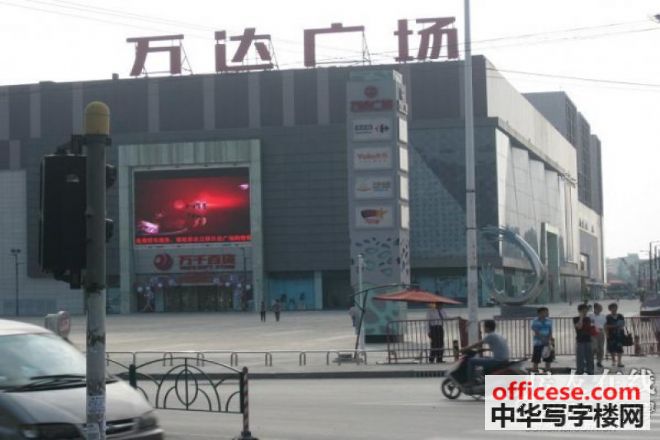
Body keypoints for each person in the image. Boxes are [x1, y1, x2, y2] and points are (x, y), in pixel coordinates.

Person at [462, 319, 509, 385]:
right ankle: (484, 378)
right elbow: (498, 347)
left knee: (471, 361)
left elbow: (477, 344)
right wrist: (485, 349)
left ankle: (470, 382)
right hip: (504, 359)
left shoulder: (490, 335)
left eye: (484, 326)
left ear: (487, 327)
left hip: (497, 360)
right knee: (485, 357)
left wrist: (465, 348)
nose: (483, 328)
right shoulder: (498, 335)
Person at [573, 304, 594, 375]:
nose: (585, 312)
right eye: (583, 311)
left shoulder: (588, 319)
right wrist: (581, 318)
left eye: (586, 310)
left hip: (588, 339)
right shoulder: (575, 319)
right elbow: (579, 327)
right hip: (580, 340)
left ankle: (590, 370)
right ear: (579, 311)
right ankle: (580, 370)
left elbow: (591, 328)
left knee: (589, 356)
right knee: (580, 357)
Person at [531, 307, 553, 371]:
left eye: (547, 312)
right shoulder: (535, 321)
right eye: (546, 312)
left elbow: (550, 331)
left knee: (548, 358)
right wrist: (543, 339)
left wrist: (549, 340)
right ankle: (535, 370)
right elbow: (536, 332)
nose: (548, 313)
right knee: (536, 359)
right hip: (538, 342)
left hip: (547, 342)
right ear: (540, 313)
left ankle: (547, 370)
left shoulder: (549, 321)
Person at [605, 302, 625, 368]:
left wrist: (620, 326)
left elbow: (623, 324)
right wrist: (607, 333)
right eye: (612, 308)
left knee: (620, 348)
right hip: (611, 334)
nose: (614, 309)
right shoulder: (608, 317)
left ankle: (619, 362)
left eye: (615, 307)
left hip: (619, 334)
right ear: (610, 309)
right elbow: (606, 326)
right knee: (612, 348)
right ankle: (613, 360)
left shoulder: (620, 316)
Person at [589, 302, 606, 368]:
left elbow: (605, 325)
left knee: (601, 348)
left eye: (601, 307)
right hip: (593, 333)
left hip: (601, 333)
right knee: (594, 348)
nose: (600, 309)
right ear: (595, 308)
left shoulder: (603, 316)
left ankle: (599, 361)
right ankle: (590, 361)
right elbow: (590, 324)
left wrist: (606, 333)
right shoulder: (591, 315)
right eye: (599, 307)